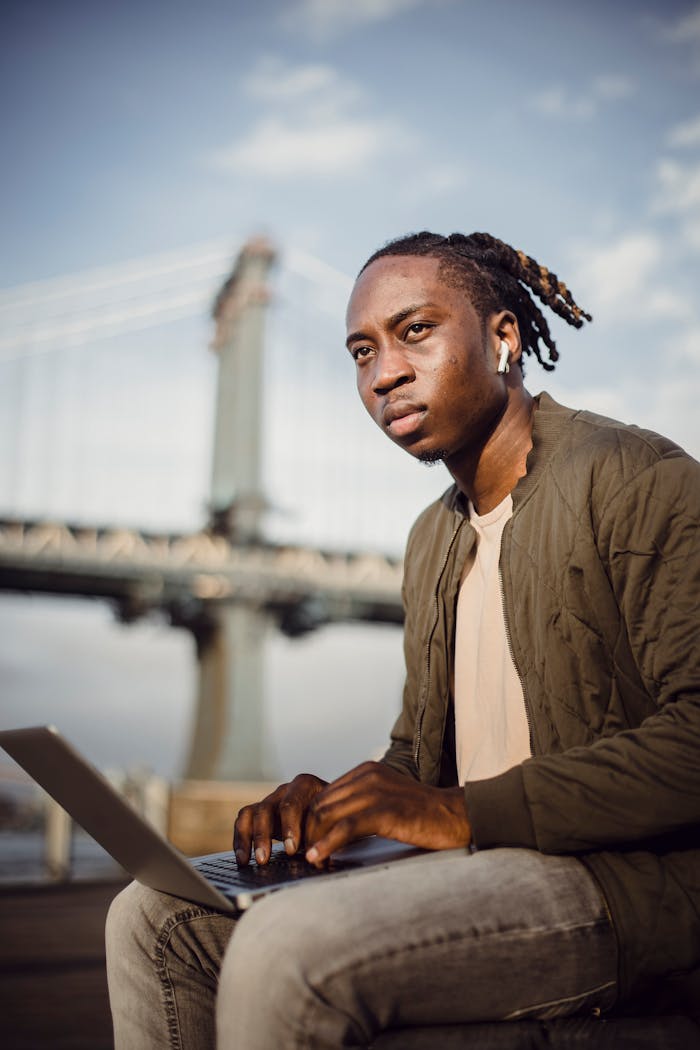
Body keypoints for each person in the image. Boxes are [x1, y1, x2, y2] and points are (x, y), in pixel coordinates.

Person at [106, 231, 700, 1049]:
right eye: (361, 351)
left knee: (290, 949)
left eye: (414, 331)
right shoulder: (433, 539)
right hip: (480, 866)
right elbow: (425, 762)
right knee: (154, 914)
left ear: (504, 337)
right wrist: (339, 798)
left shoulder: (637, 477)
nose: (383, 374)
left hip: (622, 887)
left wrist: (456, 811)